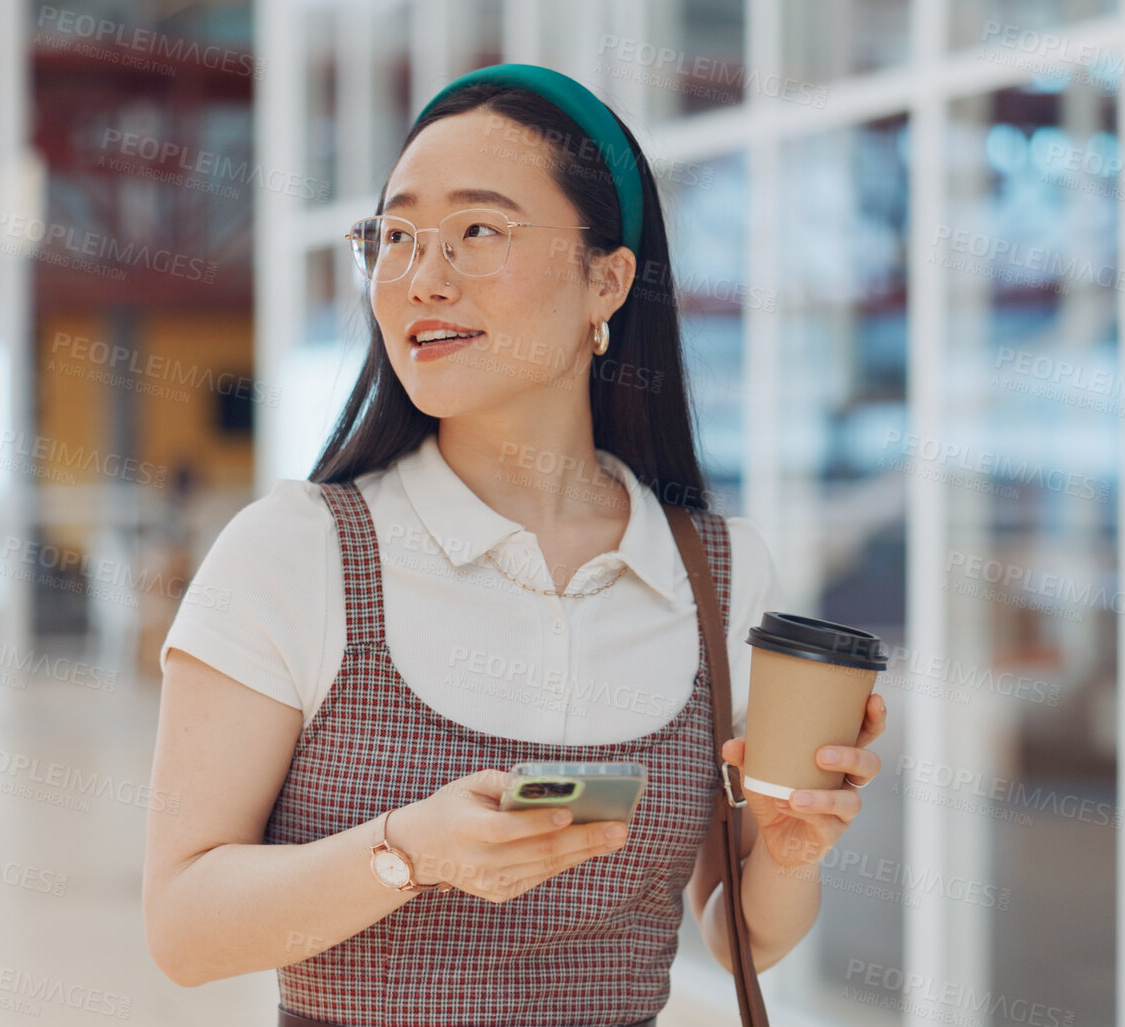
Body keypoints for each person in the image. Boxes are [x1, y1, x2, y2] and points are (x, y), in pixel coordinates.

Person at [141, 63, 888, 1027]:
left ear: (606, 280)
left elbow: (732, 927)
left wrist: (787, 853)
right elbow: (183, 929)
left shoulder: (716, 570)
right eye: (397, 236)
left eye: (477, 231)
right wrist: (406, 852)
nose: (422, 277)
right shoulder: (296, 552)